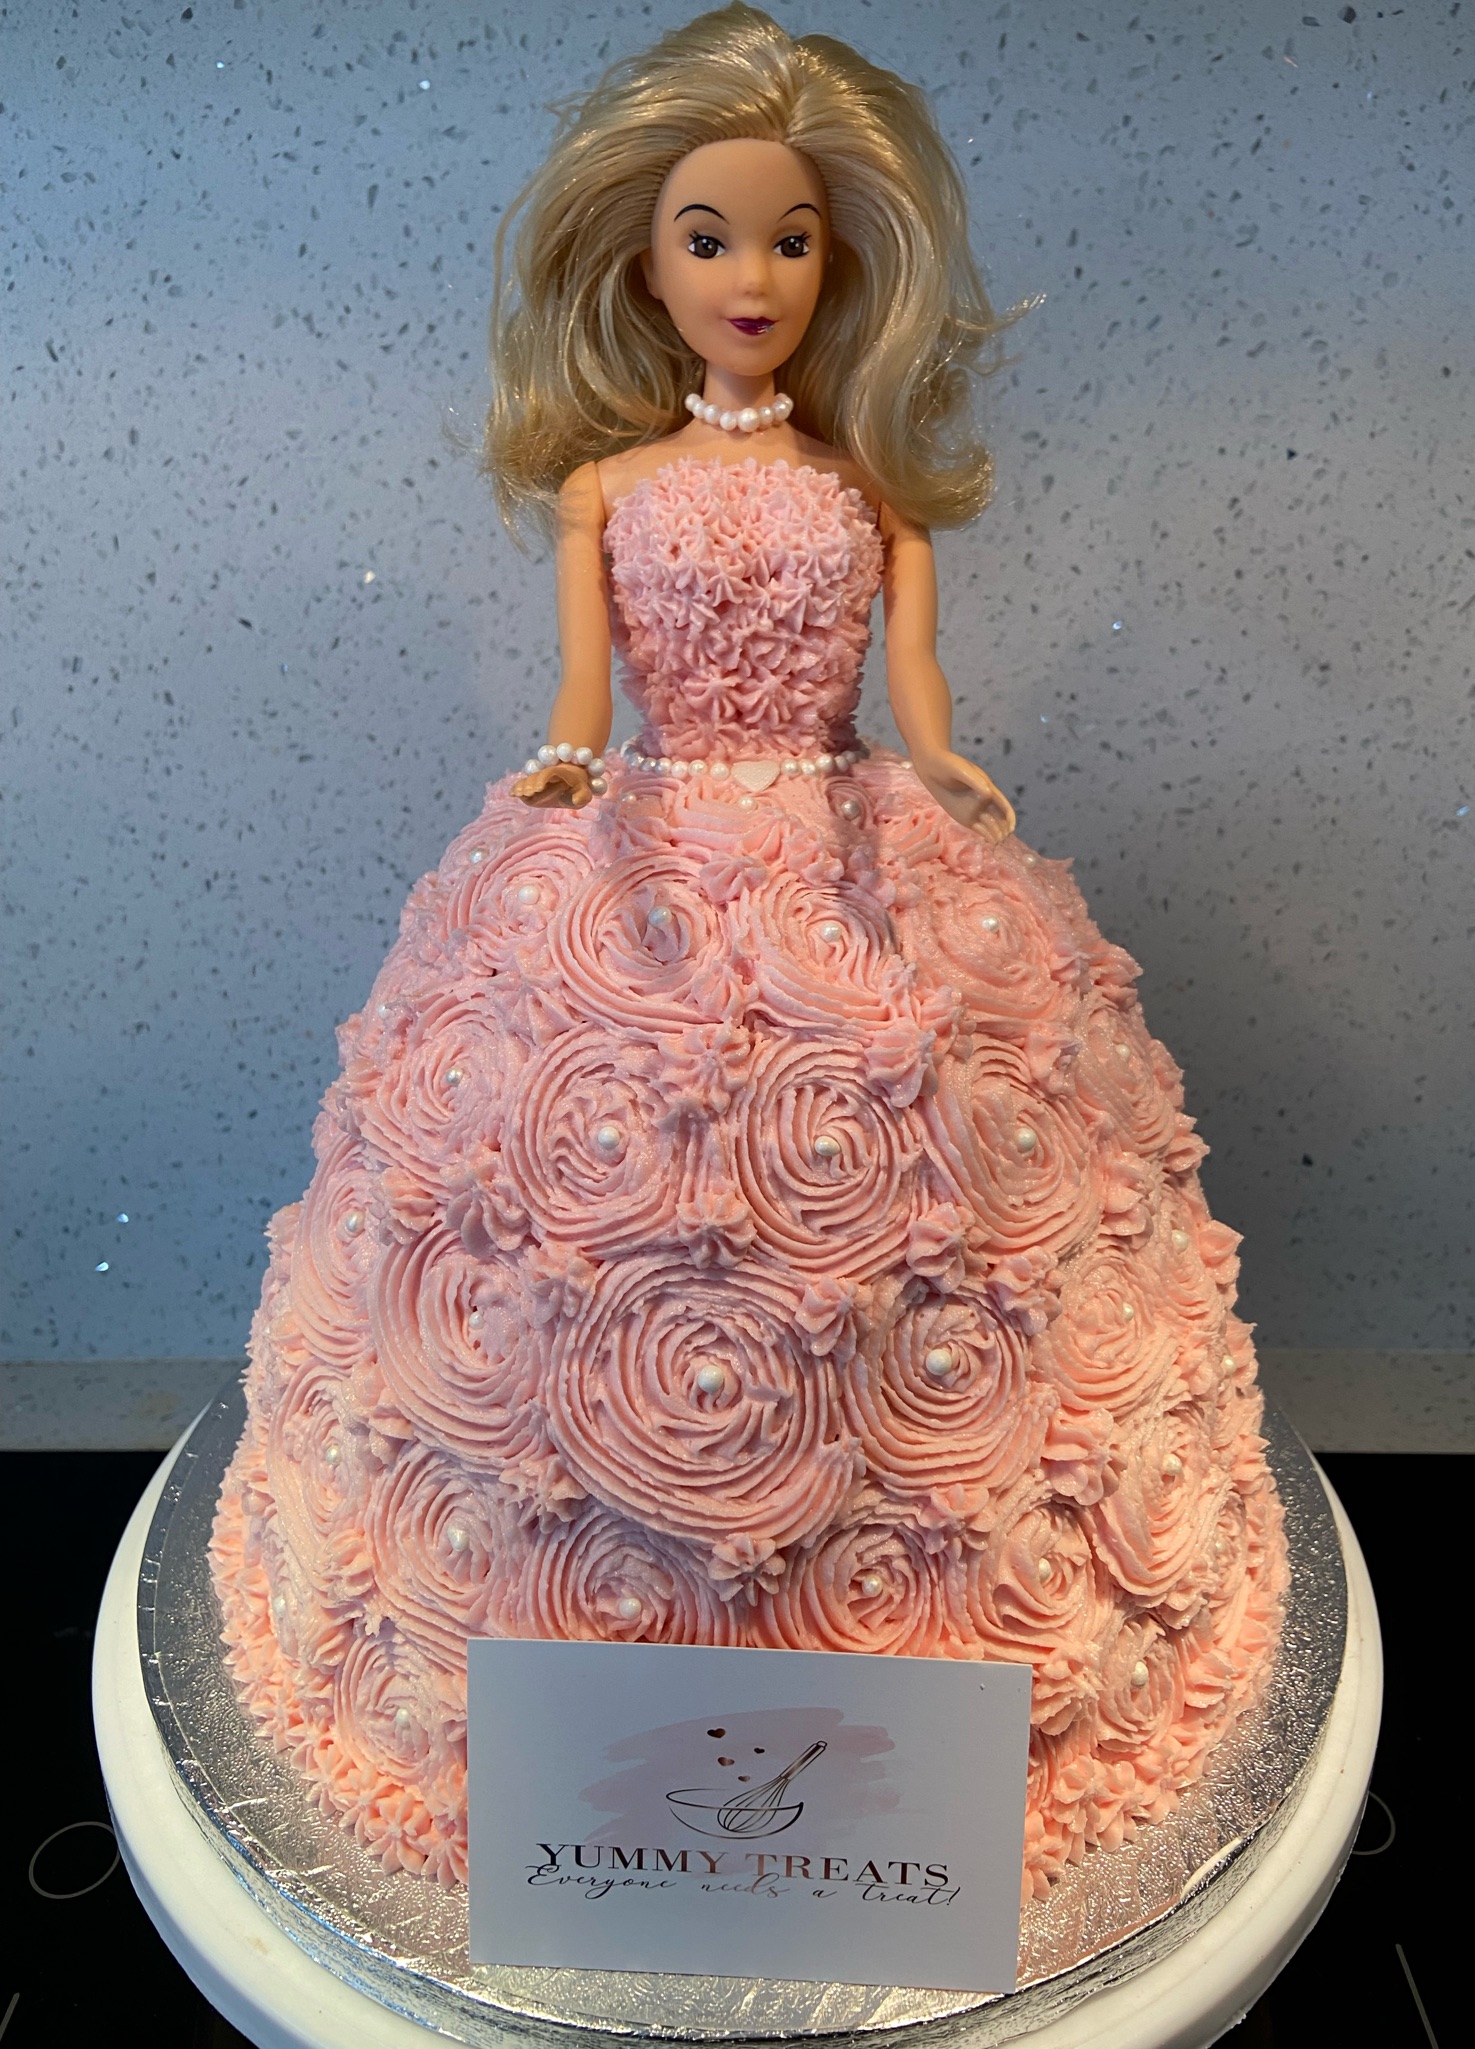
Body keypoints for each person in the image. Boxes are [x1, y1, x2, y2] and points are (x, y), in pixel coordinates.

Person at [213, 3, 1284, 1896]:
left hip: (850, 846)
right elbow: (582, 687)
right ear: (642, 261)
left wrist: (944, 765)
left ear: (837, 265)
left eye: (789, 239)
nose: (752, 276)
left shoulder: (866, 490)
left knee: (936, 1178)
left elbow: (917, 681)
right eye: (709, 237)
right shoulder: (605, 489)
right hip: (640, 838)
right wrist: (564, 767)